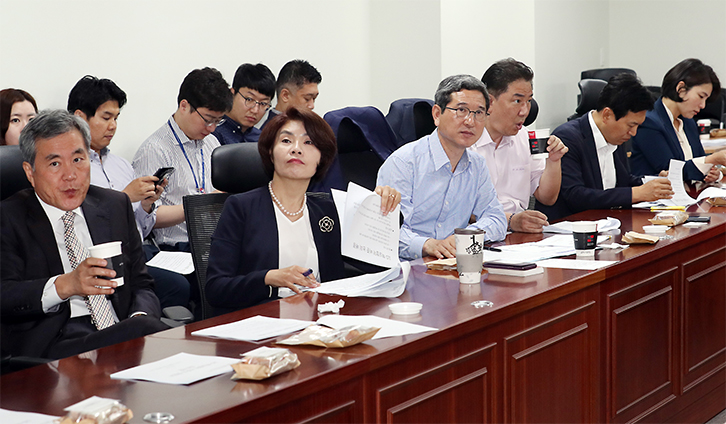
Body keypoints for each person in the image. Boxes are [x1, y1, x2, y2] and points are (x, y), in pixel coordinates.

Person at [1, 109, 168, 359]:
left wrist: (140, 315)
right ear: (30, 172)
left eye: (78, 159)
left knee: (145, 330)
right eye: (55, 163)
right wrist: (66, 285)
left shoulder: (114, 205)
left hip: (120, 331)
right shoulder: (8, 218)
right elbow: (5, 295)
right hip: (53, 346)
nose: (70, 175)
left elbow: (142, 284)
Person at [205, 107, 400, 314]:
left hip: (322, 320)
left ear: (321, 159)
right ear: (270, 152)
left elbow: (376, 266)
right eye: (286, 140)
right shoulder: (240, 207)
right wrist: (269, 278)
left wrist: (381, 208)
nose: (296, 149)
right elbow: (216, 288)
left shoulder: (329, 210)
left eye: (308, 142)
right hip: (263, 321)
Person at [68, 75, 189, 309]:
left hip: (140, 252)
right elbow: (82, 226)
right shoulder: (71, 170)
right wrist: (124, 197)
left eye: (116, 118)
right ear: (80, 118)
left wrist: (146, 205)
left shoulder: (121, 165)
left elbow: (141, 229)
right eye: (106, 117)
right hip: (105, 260)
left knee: (199, 269)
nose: (113, 126)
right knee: (177, 286)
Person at [377, 75, 507, 261]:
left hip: (452, 263)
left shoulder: (477, 164)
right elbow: (385, 231)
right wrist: (427, 244)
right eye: (461, 110)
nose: (470, 121)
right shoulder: (403, 163)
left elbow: (496, 218)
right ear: (437, 114)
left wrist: (464, 237)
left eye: (479, 113)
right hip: (409, 267)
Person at [536, 74, 674, 221]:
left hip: (609, 222)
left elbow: (622, 180)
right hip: (573, 226)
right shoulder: (567, 137)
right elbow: (575, 195)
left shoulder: (615, 135)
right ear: (607, 115)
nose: (633, 133)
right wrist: (637, 193)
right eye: (631, 125)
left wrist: (652, 182)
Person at [132, 67, 233, 251]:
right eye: (208, 119)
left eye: (218, 121)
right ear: (184, 106)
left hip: (214, 243)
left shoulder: (212, 143)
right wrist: (201, 205)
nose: (212, 128)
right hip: (175, 248)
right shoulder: (154, 150)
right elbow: (147, 216)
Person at [469, 59, 568, 233]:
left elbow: (547, 198)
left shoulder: (525, 137)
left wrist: (553, 161)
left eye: (528, 101)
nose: (525, 111)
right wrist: (510, 221)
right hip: (477, 235)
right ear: (489, 102)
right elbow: (460, 209)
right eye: (517, 101)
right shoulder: (465, 142)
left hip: (518, 235)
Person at [630, 58, 725, 182]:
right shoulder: (648, 122)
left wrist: (714, 173)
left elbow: (699, 160)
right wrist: (712, 159)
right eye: (701, 96)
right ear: (681, 89)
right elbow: (670, 170)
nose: (703, 105)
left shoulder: (688, 122)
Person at [213, 63, 276, 145]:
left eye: (263, 103)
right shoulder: (213, 133)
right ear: (232, 93)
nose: (255, 110)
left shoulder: (262, 140)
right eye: (249, 99)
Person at [260, 60, 321, 129]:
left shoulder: (311, 127)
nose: (312, 106)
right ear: (285, 95)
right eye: (307, 99)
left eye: (314, 99)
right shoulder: (270, 132)